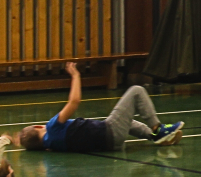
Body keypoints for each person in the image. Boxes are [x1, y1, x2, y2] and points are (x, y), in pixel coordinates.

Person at [17, 62, 184, 152]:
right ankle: (158, 130)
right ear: (38, 126)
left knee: (127, 121)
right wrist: (75, 76)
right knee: (136, 91)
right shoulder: (52, 127)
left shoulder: (51, 145)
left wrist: (13, 140)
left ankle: (154, 137)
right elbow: (74, 102)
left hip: (109, 146)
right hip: (110, 131)